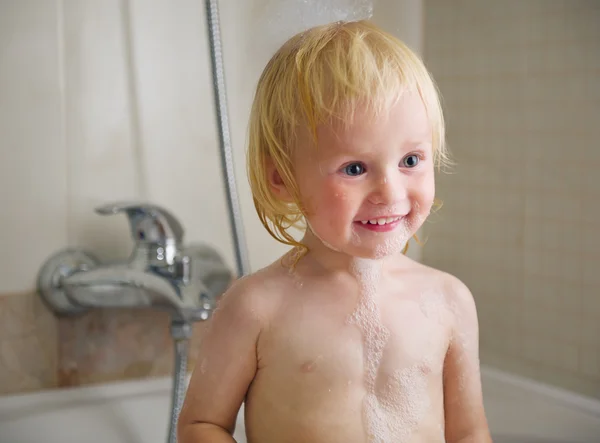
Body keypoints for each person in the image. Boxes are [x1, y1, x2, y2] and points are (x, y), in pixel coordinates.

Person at [178, 19, 491, 443]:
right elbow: (201, 425)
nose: (390, 190)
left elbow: (470, 433)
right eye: (355, 168)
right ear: (282, 179)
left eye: (411, 160)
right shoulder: (257, 307)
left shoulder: (449, 301)